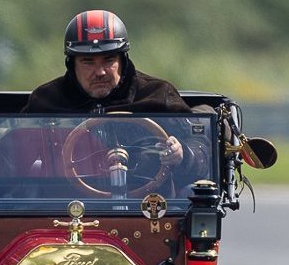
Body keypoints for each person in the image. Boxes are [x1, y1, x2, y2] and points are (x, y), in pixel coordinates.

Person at [23, 9, 190, 166]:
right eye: (88, 62)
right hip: (62, 197)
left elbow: (202, 146)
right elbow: (10, 155)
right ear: (72, 64)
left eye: (108, 60)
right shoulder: (46, 101)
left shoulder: (158, 95)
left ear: (122, 61)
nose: (100, 72)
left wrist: (183, 153)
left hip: (152, 196)